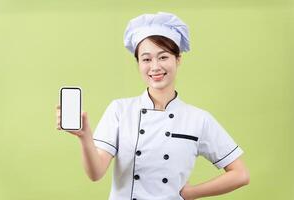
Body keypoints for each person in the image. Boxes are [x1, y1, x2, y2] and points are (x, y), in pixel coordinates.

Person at [56, 12, 249, 200]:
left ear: (178, 59)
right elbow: (96, 173)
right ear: (139, 63)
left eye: (163, 57)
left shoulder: (198, 119)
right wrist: (84, 136)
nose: (155, 66)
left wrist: (192, 193)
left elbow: (240, 174)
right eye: (146, 59)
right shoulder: (120, 110)